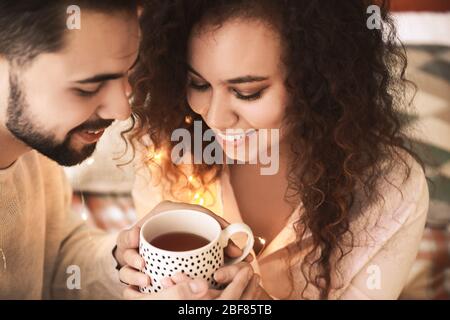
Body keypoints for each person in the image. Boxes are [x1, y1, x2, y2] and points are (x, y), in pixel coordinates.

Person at [124, 0, 430, 299]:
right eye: (199, 84)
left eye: (248, 92)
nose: (215, 118)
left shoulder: (390, 191)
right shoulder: (167, 152)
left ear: (316, 83)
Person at [1, 1, 254, 300]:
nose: (122, 111)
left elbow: (57, 262)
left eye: (125, 76)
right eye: (87, 88)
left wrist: (127, 260)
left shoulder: (32, 154)